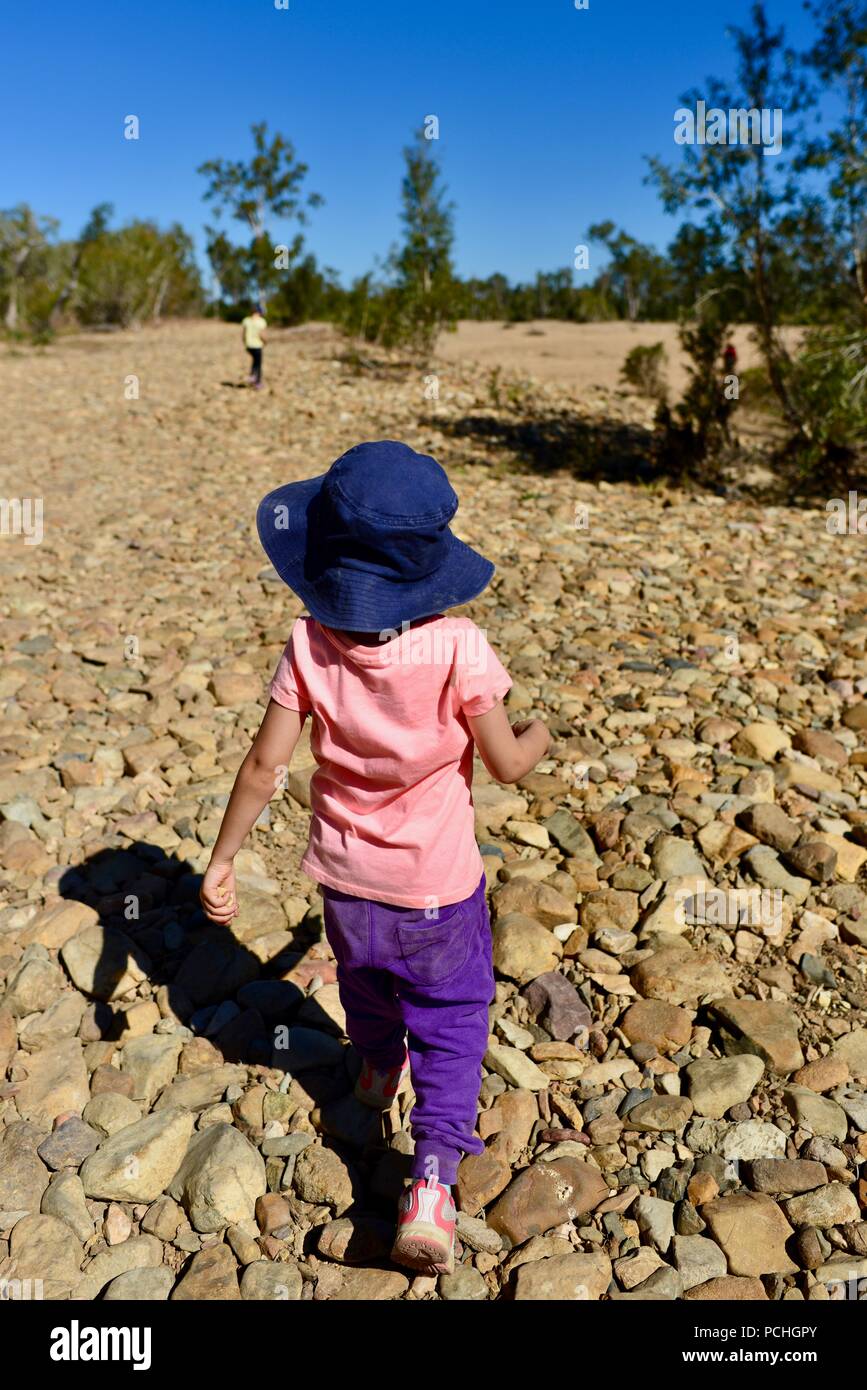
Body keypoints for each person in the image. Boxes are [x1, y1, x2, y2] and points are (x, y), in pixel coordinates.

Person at [199, 440, 551, 1276]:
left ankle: (373, 1070)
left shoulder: (308, 644)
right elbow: (504, 762)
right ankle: (429, 1185)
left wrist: (222, 859)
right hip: (435, 890)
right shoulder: (460, 646)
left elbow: (263, 767)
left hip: (345, 884)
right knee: (456, 1018)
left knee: (365, 983)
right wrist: (542, 733)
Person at [241, 301, 267, 388]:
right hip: (257, 346)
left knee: (254, 361)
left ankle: (252, 376)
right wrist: (265, 341)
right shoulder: (261, 321)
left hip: (248, 346)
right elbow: (261, 334)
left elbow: (244, 335)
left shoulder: (246, 320)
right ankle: (257, 382)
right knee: (258, 364)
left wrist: (245, 342)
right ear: (259, 312)